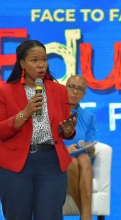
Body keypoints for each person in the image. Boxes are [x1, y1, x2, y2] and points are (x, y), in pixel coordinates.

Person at [0, 40, 76, 220]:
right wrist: (24, 113)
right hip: (16, 164)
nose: (41, 64)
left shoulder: (59, 90)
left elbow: (66, 131)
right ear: (22, 63)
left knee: (49, 216)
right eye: (35, 60)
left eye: (44, 60)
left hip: (51, 162)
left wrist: (68, 130)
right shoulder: (5, 91)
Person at [63, 75, 98, 220]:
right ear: (64, 89)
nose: (75, 91)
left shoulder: (89, 117)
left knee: (84, 158)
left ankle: (85, 217)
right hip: (60, 158)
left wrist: (91, 148)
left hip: (81, 156)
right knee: (71, 162)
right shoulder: (54, 111)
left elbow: (89, 141)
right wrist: (65, 149)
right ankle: (86, 215)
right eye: (71, 86)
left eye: (80, 89)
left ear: (84, 94)